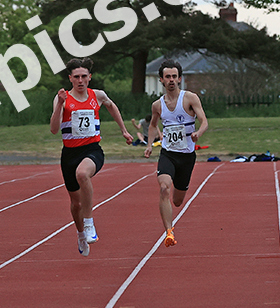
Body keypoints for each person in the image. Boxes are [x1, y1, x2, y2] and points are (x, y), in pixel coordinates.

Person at [49, 57, 133, 256]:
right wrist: (60, 104)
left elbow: (111, 106)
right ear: (70, 78)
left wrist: (124, 130)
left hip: (92, 150)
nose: (80, 80)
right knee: (76, 204)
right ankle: (81, 233)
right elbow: (54, 129)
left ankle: (89, 223)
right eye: (76, 77)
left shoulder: (98, 95)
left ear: (90, 77)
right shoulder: (62, 98)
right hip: (69, 154)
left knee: (82, 174)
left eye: (84, 76)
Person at [143, 59, 208, 248]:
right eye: (167, 77)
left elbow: (204, 121)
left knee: (178, 201)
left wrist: (198, 133)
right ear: (161, 80)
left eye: (174, 76)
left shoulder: (190, 98)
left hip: (186, 156)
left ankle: (171, 217)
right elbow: (153, 125)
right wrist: (149, 145)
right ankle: (169, 232)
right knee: (164, 188)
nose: (171, 80)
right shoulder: (157, 105)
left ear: (179, 78)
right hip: (168, 154)